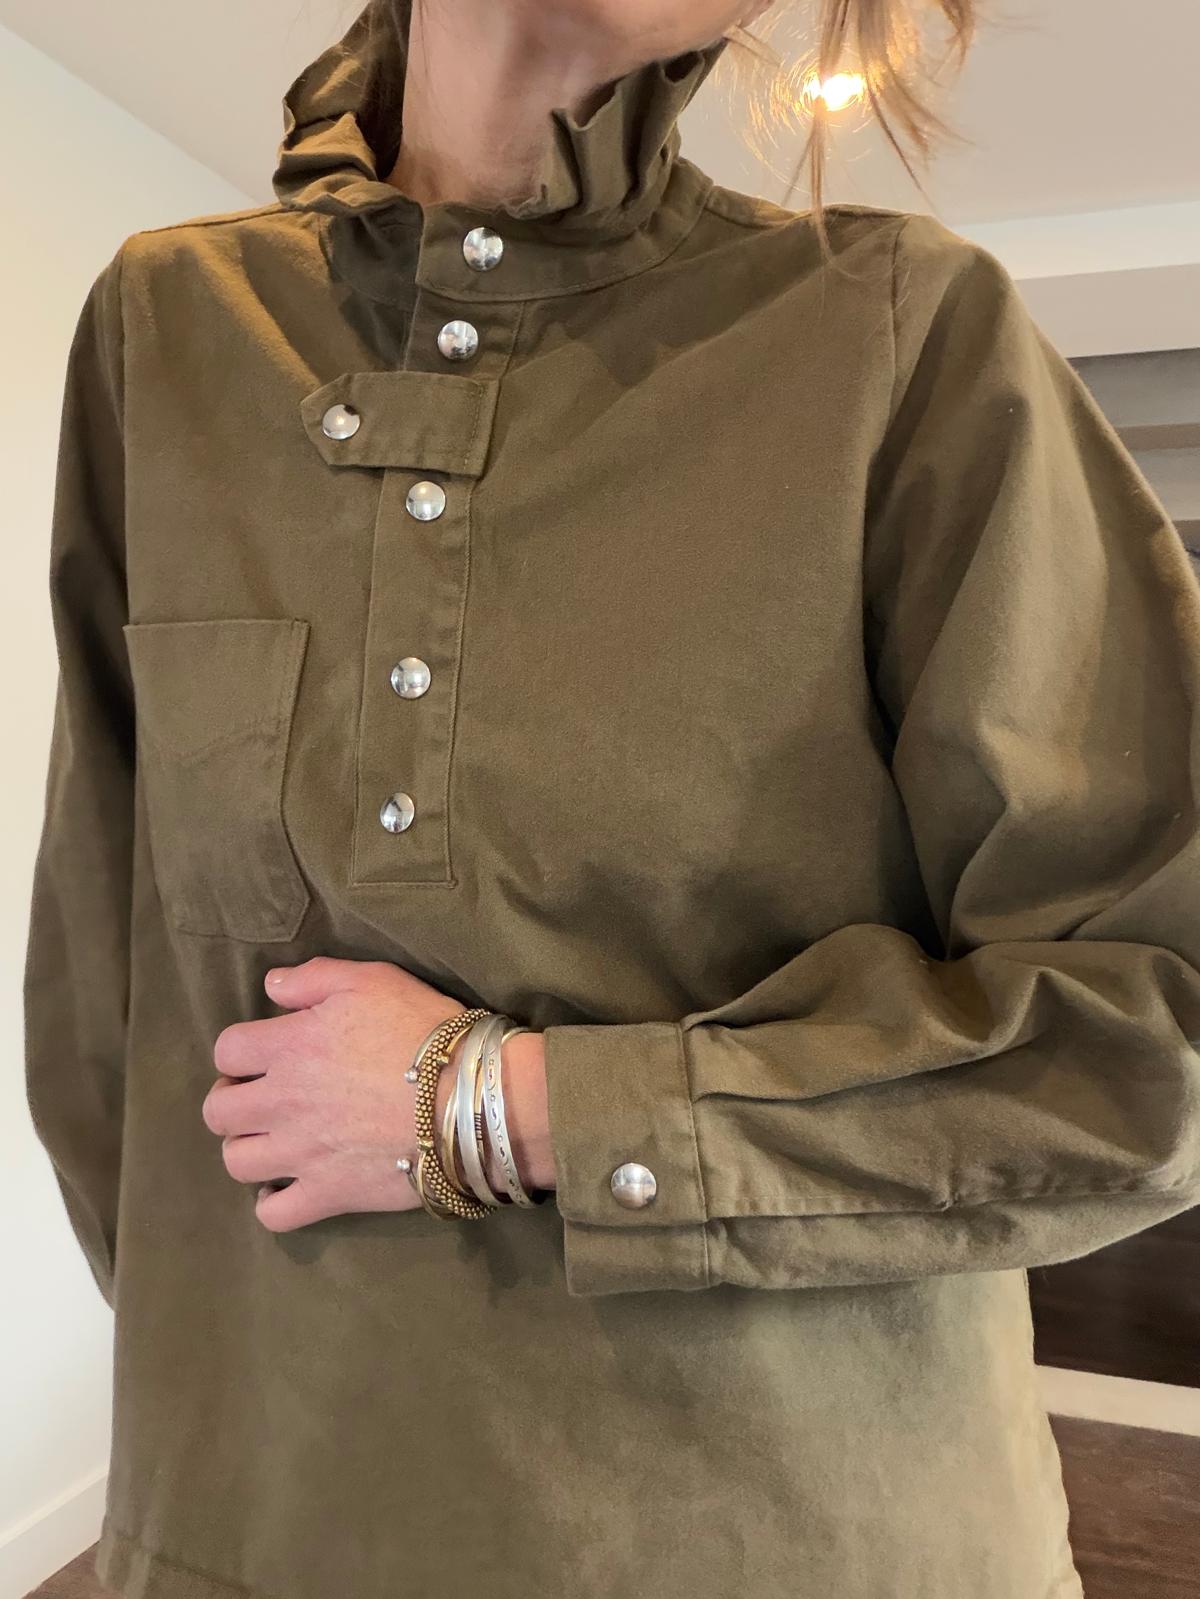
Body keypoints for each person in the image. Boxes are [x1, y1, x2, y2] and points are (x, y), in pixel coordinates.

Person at [22, 0, 1200, 1596]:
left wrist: (511, 1106)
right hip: (260, 1523)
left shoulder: (900, 331)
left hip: (800, 1543)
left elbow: (1154, 1035)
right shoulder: (167, 327)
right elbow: (110, 1007)